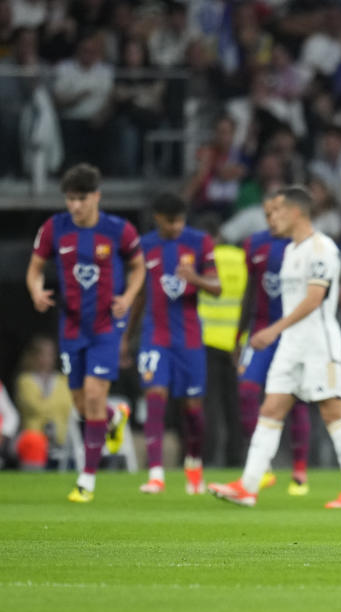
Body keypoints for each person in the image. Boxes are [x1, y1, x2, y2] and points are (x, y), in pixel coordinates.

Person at [208, 186, 341, 508]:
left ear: (296, 212)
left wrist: (271, 331)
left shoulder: (322, 248)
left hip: (319, 344)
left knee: (333, 413)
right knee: (270, 410)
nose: (272, 219)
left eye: (278, 212)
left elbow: (314, 299)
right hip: (291, 345)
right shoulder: (291, 251)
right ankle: (248, 486)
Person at [26, 163, 144, 502]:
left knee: (93, 394)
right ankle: (114, 415)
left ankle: (87, 481)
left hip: (107, 325)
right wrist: (36, 291)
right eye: (70, 199)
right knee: (81, 403)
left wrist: (128, 296)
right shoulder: (54, 229)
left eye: (81, 198)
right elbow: (35, 269)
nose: (74, 206)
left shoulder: (118, 230)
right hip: (71, 325)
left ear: (96, 197)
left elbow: (139, 268)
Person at [123, 193, 221, 495]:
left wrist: (195, 278)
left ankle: (194, 466)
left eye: (181, 219)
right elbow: (138, 295)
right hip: (156, 336)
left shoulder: (200, 242)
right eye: (171, 221)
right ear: (158, 219)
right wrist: (125, 338)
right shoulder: (144, 247)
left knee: (192, 408)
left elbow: (217, 287)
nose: (178, 226)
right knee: (155, 399)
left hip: (189, 338)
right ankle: (155, 474)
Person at [235, 192, 313, 495]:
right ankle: (263, 468)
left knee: (296, 400)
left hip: (295, 334)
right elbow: (251, 291)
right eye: (268, 214)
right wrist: (238, 335)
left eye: (277, 213)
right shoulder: (254, 245)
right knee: (246, 391)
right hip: (260, 331)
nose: (272, 219)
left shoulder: (308, 246)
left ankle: (299, 471)